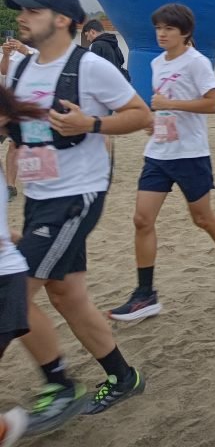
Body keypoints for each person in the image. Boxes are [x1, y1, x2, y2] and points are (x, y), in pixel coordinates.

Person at [4, 0, 152, 430]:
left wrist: (92, 123)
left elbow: (141, 114)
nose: (22, 17)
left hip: (75, 196)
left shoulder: (89, 67)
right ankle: (124, 377)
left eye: (32, 10)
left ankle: (60, 387)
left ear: (63, 19)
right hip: (38, 196)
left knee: (14, 288)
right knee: (67, 294)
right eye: (21, 11)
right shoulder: (22, 69)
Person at [108, 3, 215, 322]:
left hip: (190, 154)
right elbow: (164, 105)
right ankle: (145, 293)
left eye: (168, 29)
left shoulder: (197, 62)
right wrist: (156, 117)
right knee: (141, 220)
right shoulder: (159, 62)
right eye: (158, 28)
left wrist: (169, 104)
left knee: (202, 218)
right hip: (159, 152)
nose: (161, 34)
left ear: (184, 32)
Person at [1, 87, 85, 445]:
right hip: (8, 270)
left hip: (5, 276)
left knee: (53, 295)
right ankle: (60, 383)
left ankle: (59, 385)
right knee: (52, 296)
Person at [1, 38, 35, 200]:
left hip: (29, 105)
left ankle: (15, 185)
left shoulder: (36, 52)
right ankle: (9, 185)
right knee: (13, 145)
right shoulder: (8, 53)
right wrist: (6, 55)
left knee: (23, 146)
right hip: (8, 105)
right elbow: (4, 71)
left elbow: (40, 68)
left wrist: (25, 51)